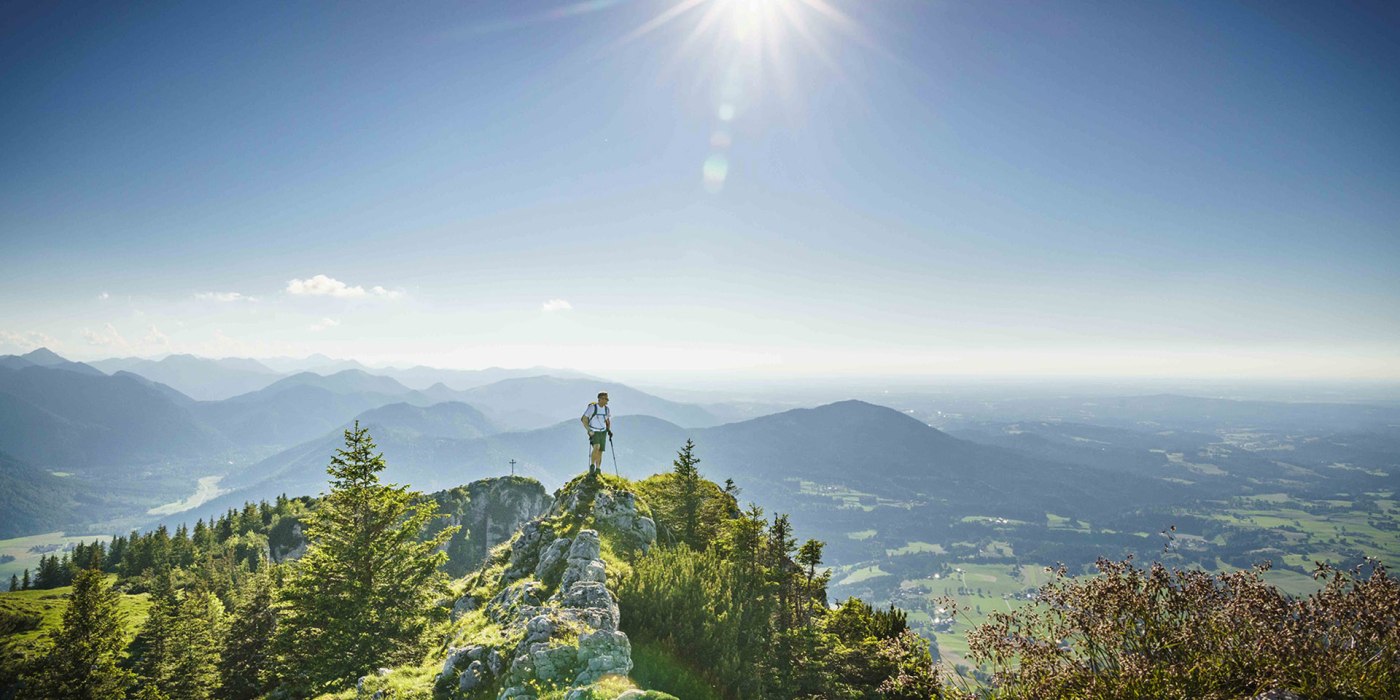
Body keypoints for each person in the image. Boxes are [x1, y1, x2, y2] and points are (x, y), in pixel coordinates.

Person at [581, 391, 611, 475]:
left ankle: (598, 469)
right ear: (600, 399)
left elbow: (607, 420)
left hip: (603, 431)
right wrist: (589, 430)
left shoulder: (607, 409)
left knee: (600, 450)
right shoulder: (592, 408)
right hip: (594, 431)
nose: (607, 401)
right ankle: (592, 466)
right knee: (596, 447)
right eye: (605, 399)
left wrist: (609, 430)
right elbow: (584, 419)